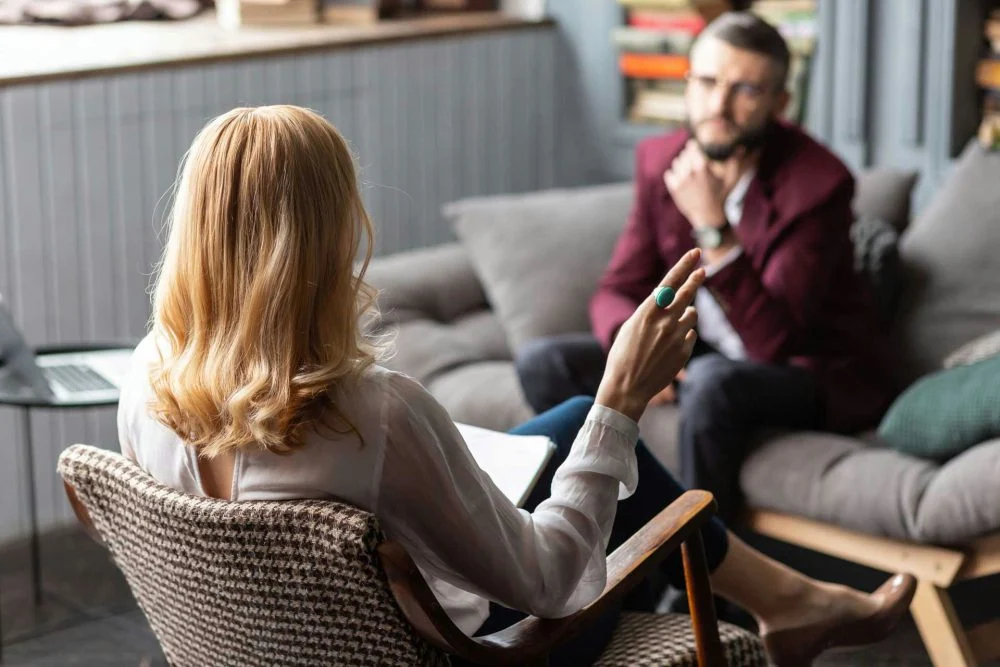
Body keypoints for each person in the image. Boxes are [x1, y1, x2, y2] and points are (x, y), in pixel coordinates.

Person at [117, 105, 914, 667]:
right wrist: (623, 401)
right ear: (329, 242)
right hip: (475, 652)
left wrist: (591, 418)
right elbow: (554, 583)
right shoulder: (377, 415)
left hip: (271, 642)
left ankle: (792, 600)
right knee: (606, 450)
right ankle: (799, 604)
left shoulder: (145, 378)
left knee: (565, 421)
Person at [515, 11, 896, 524]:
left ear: (780, 104)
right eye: (708, 82)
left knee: (714, 383)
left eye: (745, 90)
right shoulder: (661, 160)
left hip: (809, 369)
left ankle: (696, 583)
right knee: (546, 361)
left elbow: (773, 344)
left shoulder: (819, 185)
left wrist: (714, 227)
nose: (719, 107)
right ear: (688, 84)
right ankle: (610, 532)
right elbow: (617, 290)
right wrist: (640, 352)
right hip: (703, 354)